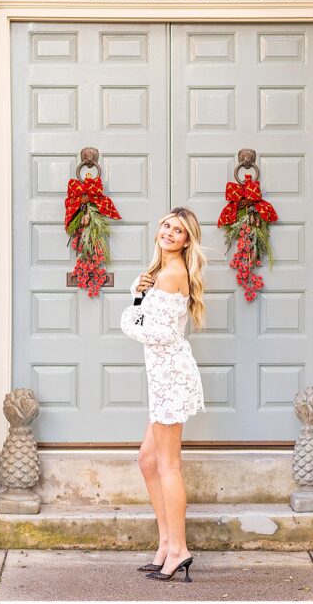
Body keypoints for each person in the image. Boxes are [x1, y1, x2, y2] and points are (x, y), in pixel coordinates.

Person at [120, 208, 207, 583]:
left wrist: (127, 315)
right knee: (147, 460)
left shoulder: (172, 275)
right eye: (167, 226)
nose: (170, 233)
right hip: (162, 376)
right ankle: (165, 543)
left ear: (188, 240)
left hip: (172, 376)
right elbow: (151, 316)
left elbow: (157, 333)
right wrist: (138, 292)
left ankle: (179, 549)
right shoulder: (157, 273)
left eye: (180, 230)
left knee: (168, 464)